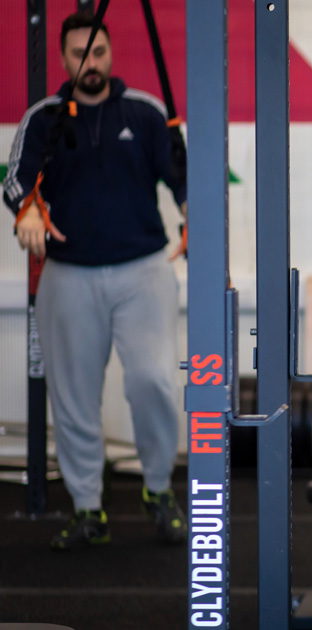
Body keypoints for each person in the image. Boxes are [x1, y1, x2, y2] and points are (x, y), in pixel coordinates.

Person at [3, 12, 188, 550]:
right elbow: (17, 176)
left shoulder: (146, 111)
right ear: (64, 59)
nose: (91, 63)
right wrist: (28, 211)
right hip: (68, 274)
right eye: (80, 53)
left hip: (143, 271)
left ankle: (158, 489)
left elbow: (184, 174)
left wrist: (193, 214)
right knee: (74, 396)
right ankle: (88, 507)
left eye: (99, 51)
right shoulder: (45, 117)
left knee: (153, 380)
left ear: (112, 53)